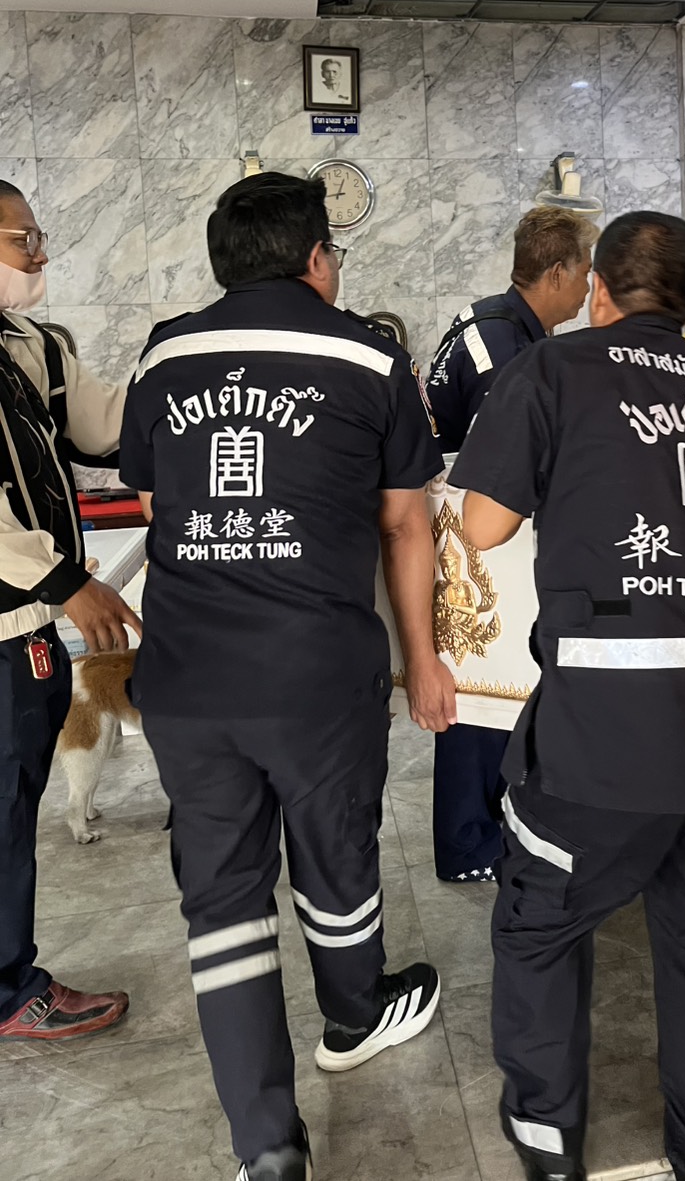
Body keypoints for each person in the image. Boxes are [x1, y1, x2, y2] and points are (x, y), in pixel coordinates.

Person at [119, 172, 454, 1181]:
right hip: (315, 674)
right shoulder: (372, 355)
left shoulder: (164, 354)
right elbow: (406, 523)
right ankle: (354, 1016)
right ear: (316, 258)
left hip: (188, 677)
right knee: (335, 851)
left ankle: (266, 1149)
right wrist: (424, 661)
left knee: (222, 900)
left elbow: (155, 501)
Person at [453, 211, 685, 1181]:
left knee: (540, 924)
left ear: (598, 288)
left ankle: (550, 1143)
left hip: (603, 731)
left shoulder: (552, 370)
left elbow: (481, 524)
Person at [423, 205, 598, 884]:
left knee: (490, 690)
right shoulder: (505, 346)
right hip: (480, 538)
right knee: (481, 692)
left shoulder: (500, 325)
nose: (587, 288)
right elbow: (514, 456)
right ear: (556, 272)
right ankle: (470, 842)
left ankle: (484, 827)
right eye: (583, 271)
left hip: (477, 529)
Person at [0, 179, 136, 1046]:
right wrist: (68, 584)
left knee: (16, 803)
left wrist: (190, 368)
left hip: (27, 629)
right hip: (9, 619)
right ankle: (11, 991)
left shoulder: (32, 348)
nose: (40, 252)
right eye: (22, 238)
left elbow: (106, 424)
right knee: (3, 815)